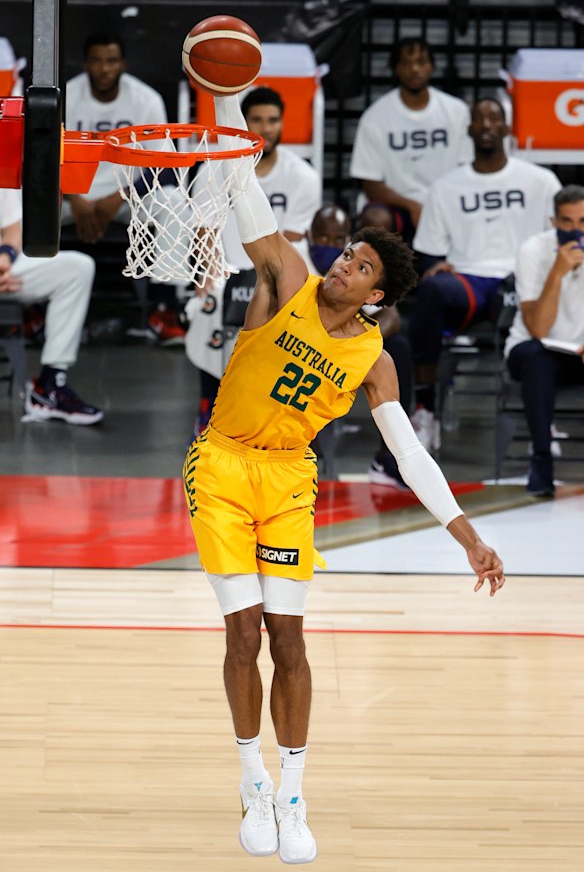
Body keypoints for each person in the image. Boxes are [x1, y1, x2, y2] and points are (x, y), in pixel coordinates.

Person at [182, 92, 506, 866]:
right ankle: (251, 777)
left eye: (359, 266)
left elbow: (410, 454)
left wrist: (466, 535)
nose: (343, 265)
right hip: (221, 465)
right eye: (346, 255)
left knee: (290, 641)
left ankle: (293, 794)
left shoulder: (375, 360)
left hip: (290, 480)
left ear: (378, 297)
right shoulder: (290, 274)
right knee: (243, 633)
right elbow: (248, 187)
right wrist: (226, 102)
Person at [409, 98, 562, 451]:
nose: (487, 124)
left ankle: (542, 421)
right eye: (479, 119)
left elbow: (559, 238)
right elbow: (429, 249)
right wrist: (437, 264)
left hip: (520, 276)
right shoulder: (446, 186)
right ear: (470, 130)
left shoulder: (541, 181)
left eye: (494, 118)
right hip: (470, 279)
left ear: (507, 128)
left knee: (529, 305)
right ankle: (426, 410)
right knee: (432, 289)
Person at [185, 86, 322, 433]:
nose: (266, 127)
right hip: (227, 269)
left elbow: (290, 245)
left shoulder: (303, 176)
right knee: (211, 304)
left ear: (282, 123)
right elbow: (204, 232)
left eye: (273, 120)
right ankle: (210, 406)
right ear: (244, 124)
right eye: (257, 120)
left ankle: (279, 415)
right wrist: (209, 274)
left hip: (276, 274)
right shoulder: (214, 170)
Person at [64, 31, 185, 346]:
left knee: (173, 202)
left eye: (112, 61)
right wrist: (73, 196)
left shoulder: (145, 100)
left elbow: (163, 165)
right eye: (97, 61)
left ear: (123, 64)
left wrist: (119, 195)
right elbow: (43, 158)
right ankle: (29, 309)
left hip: (128, 196)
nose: (104, 69)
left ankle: (163, 309)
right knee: (17, 202)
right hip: (68, 193)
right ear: (85, 63)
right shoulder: (64, 95)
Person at [307, 203, 413, 487]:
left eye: (338, 240)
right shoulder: (297, 269)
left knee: (398, 349)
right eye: (322, 238)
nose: (330, 246)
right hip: (303, 348)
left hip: (346, 354)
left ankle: (388, 456)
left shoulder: (355, 271)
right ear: (308, 236)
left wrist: (357, 342)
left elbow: (391, 316)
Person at [350, 36, 471, 243]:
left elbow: (467, 170)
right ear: (395, 69)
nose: (414, 69)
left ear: (432, 66)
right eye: (406, 63)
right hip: (398, 205)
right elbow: (370, 184)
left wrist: (437, 204)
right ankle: (379, 275)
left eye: (421, 62)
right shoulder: (375, 117)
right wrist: (412, 205)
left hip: (447, 202)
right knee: (375, 219)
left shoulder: (456, 111)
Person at [505, 184, 584, 496]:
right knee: (539, 359)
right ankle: (541, 459)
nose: (576, 230)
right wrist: (557, 272)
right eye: (567, 222)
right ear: (554, 222)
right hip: (534, 349)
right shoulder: (533, 250)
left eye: (583, 221)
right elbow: (537, 327)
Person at [0, 187, 102, 424]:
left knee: (78, 268)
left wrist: (5, 260)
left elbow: (13, 232)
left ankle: (49, 386)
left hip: (5, 268)